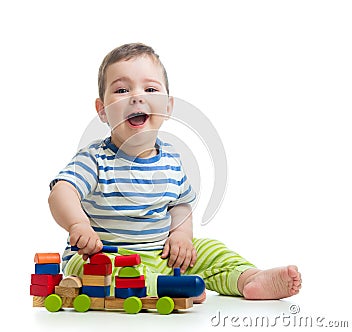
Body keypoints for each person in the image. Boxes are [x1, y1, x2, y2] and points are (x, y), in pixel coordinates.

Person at [48, 43, 302, 302]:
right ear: (102, 110)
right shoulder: (94, 158)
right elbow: (62, 191)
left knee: (209, 249)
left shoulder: (171, 160)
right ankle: (169, 287)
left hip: (162, 255)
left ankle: (249, 278)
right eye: (122, 90)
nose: (137, 97)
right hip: (106, 254)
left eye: (150, 89)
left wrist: (181, 235)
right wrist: (78, 224)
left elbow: (180, 205)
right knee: (94, 269)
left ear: (167, 107)